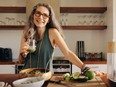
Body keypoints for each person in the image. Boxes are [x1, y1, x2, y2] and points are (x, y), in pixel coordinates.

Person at [18, 2, 91, 74]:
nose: (40, 17)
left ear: (49, 19)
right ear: (33, 15)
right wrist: (22, 54)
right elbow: (20, 60)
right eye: (38, 13)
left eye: (45, 15)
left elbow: (68, 53)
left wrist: (85, 68)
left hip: (45, 77)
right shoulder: (26, 33)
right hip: (26, 76)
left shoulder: (53, 32)